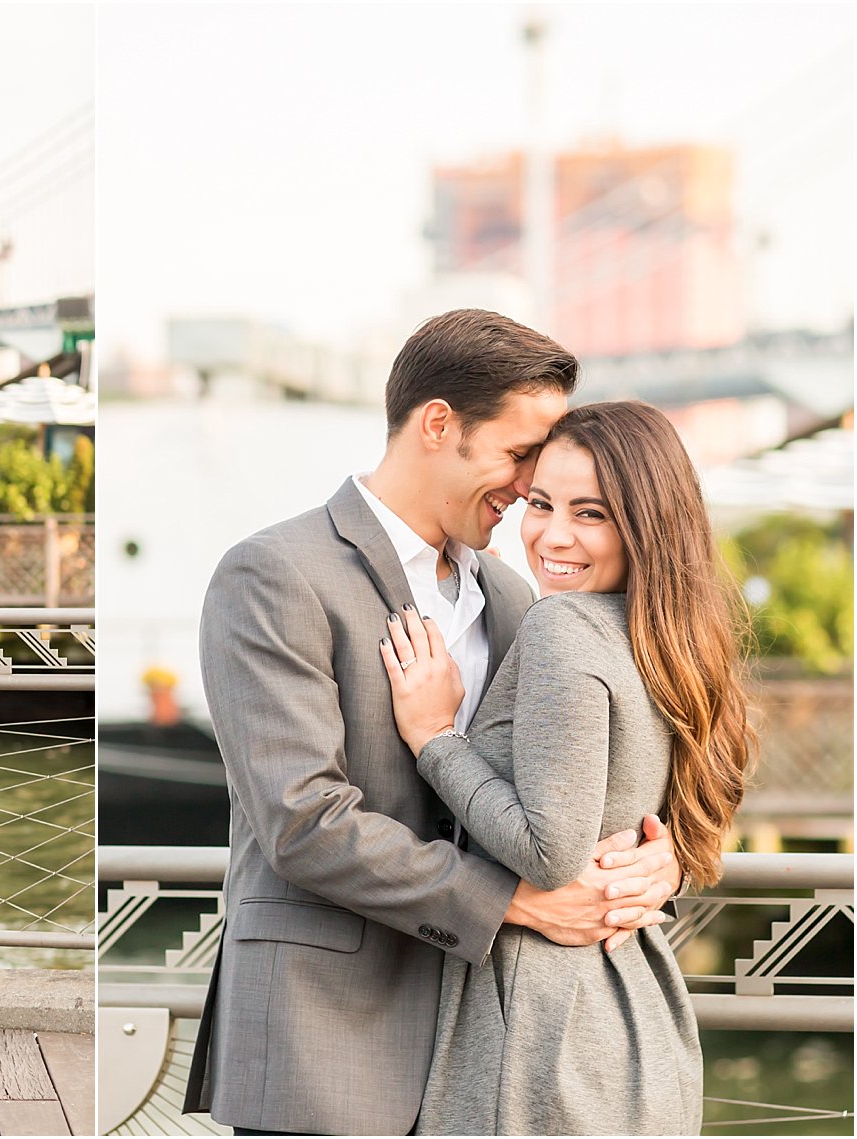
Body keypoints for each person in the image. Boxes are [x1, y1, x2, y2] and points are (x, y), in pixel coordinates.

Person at [183, 310, 683, 1136]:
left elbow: (561, 781)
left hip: (483, 1050)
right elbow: (302, 821)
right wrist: (517, 902)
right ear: (439, 423)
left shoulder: (520, 599)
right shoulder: (274, 573)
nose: (529, 484)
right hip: (326, 1038)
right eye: (520, 453)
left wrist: (657, 860)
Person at [380, 400, 753, 1134]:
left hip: (540, 1033)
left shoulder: (560, 625)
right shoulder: (666, 638)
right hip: (637, 1013)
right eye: (541, 503)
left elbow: (550, 852)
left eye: (591, 513)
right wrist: (670, 858)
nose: (552, 534)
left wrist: (433, 740)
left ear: (644, 525)